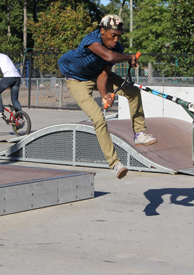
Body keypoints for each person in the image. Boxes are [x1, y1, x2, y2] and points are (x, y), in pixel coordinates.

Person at [58, 15, 157, 179]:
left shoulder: (117, 48)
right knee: (98, 118)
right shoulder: (90, 40)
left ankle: (139, 133)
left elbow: (104, 75)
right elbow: (109, 56)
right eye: (113, 35)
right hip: (76, 80)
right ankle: (115, 164)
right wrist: (130, 58)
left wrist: (104, 95)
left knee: (133, 91)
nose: (116, 40)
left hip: (97, 75)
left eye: (118, 36)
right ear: (102, 31)